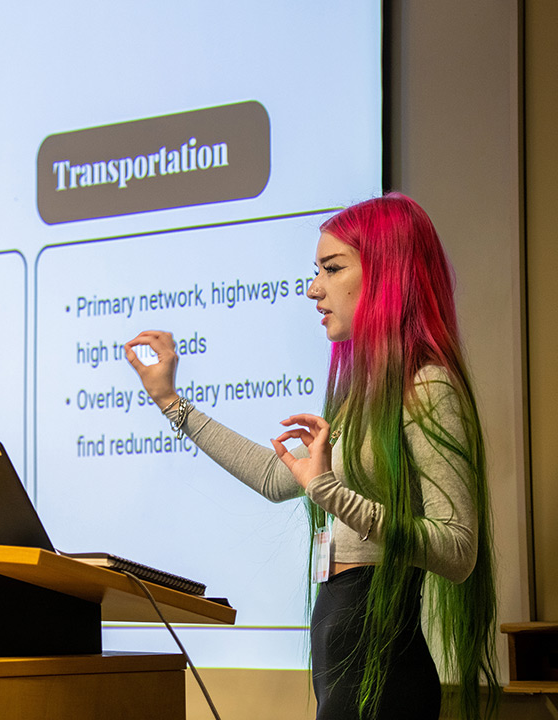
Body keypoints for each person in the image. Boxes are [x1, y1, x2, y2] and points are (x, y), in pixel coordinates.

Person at [125, 193, 499, 720]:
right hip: (340, 635)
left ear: (386, 273)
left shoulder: (427, 384)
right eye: (315, 270)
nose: (313, 288)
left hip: (380, 651)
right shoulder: (361, 398)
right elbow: (274, 477)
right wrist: (170, 401)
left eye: (331, 268)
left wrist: (330, 492)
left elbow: (459, 551)